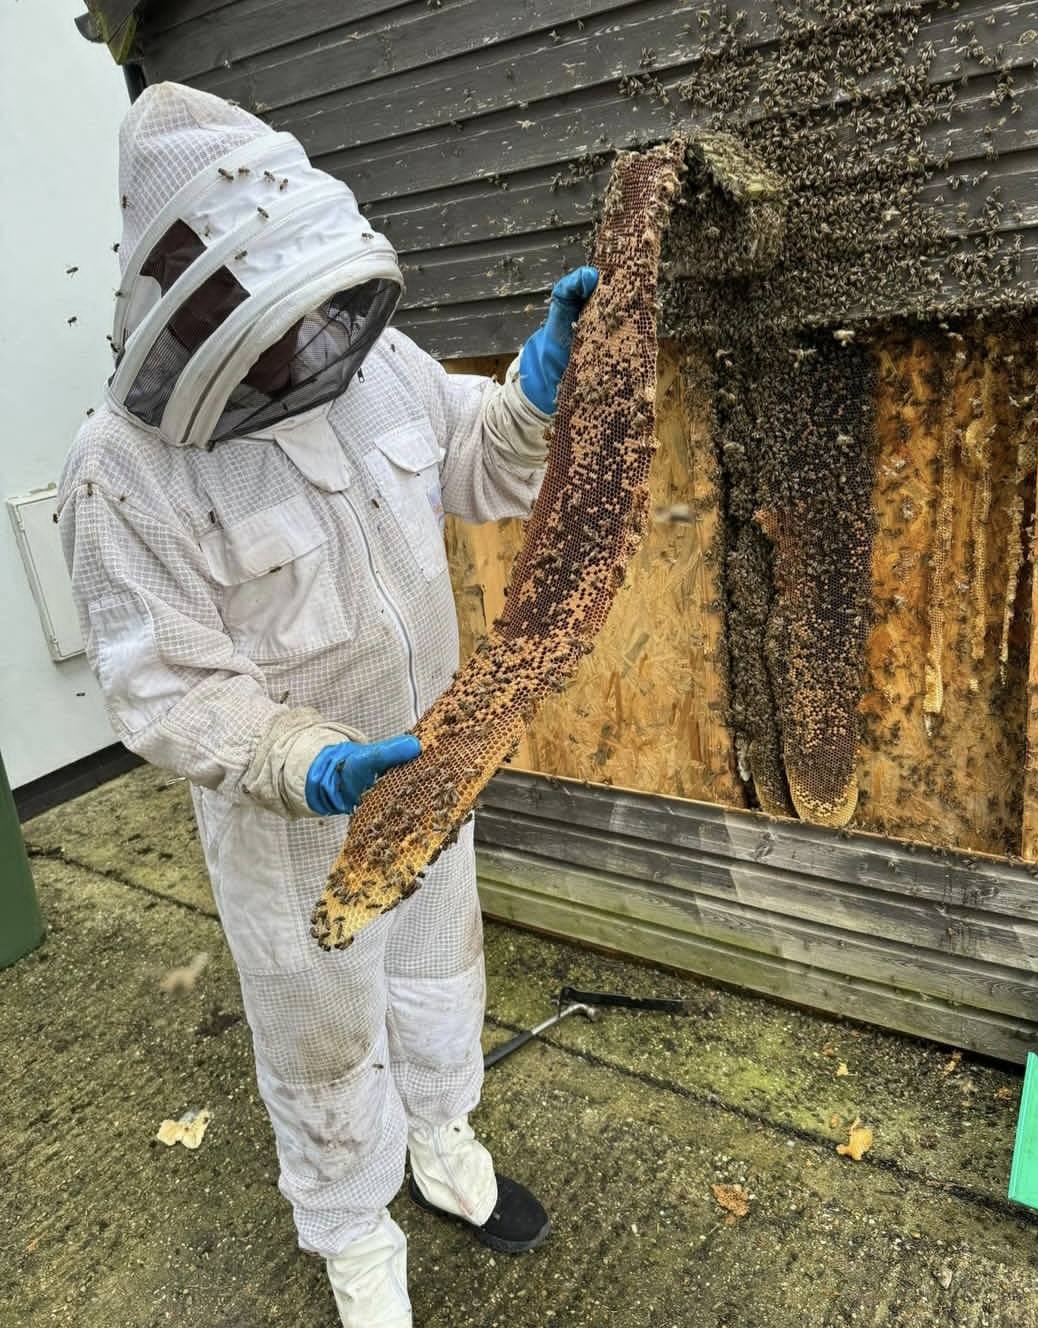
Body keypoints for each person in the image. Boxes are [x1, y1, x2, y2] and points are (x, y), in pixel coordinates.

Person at [58, 80, 598, 1327]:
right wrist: (306, 761)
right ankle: (353, 1232)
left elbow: (476, 456)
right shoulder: (124, 470)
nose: (305, 356)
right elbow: (161, 678)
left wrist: (535, 388)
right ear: (184, 298)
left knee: (438, 970)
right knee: (322, 1027)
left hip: (433, 770)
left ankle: (445, 1142)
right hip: (291, 818)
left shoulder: (371, 356)